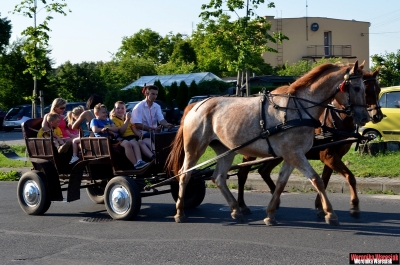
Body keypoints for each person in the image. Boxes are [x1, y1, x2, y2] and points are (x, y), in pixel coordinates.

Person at [90, 103, 149, 170]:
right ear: (97, 114)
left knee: (134, 142)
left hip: (116, 138)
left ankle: (139, 161)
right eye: (103, 112)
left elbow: (115, 128)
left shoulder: (108, 120)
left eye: (106, 112)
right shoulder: (94, 120)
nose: (106, 114)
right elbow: (95, 129)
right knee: (127, 143)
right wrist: (104, 129)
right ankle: (135, 164)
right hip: (107, 140)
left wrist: (108, 129)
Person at [131, 85, 173, 151]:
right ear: (146, 93)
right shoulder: (138, 107)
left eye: (156, 94)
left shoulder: (157, 106)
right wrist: (152, 129)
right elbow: (137, 125)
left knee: (171, 133)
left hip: (154, 132)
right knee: (158, 137)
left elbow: (161, 119)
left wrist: (167, 124)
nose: (155, 96)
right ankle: (160, 155)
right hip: (143, 134)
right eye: (153, 94)